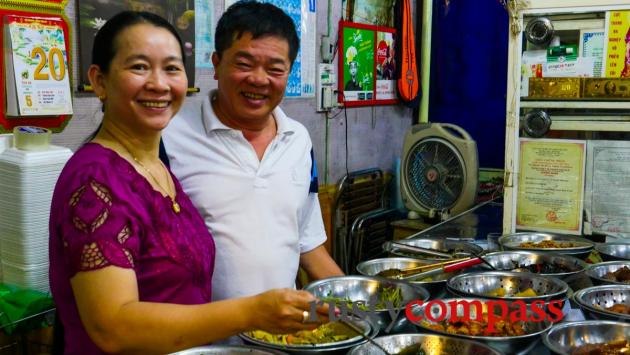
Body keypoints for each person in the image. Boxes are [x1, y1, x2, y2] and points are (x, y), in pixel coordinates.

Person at [48, 11, 329, 355]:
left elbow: (305, 242)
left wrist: (351, 308)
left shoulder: (153, 170)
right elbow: (113, 328)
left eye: (171, 68)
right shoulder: (96, 177)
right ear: (100, 80)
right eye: (138, 67)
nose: (159, 83)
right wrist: (252, 312)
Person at [162, 1, 344, 305]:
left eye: (275, 69)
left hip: (279, 340)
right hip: (201, 343)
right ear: (217, 64)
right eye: (244, 64)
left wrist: (357, 310)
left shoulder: (298, 140)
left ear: (288, 73)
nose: (259, 80)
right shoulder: (169, 137)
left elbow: (308, 245)